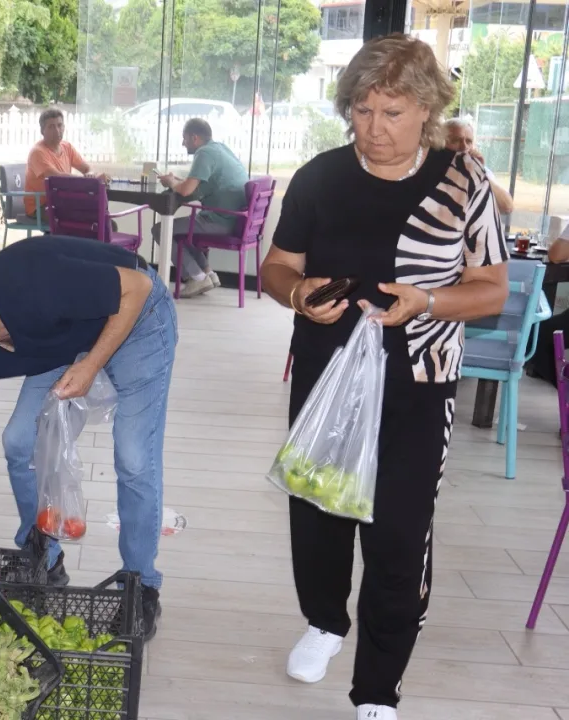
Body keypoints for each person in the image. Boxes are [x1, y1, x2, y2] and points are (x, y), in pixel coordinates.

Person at [259, 34, 509, 720]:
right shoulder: (321, 176)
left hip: (418, 383)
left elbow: (489, 289)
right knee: (317, 513)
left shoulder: (464, 183)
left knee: (399, 534)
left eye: (392, 113)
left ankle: (377, 687)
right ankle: (324, 622)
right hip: (325, 376)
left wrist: (427, 301)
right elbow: (275, 266)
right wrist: (297, 292)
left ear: (426, 111)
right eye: (363, 110)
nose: (375, 128)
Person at [0, 235, 175, 639]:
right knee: (19, 442)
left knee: (134, 457)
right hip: (66, 335)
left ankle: (141, 585)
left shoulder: (35, 285)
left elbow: (137, 288)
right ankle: (43, 553)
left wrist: (93, 364)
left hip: (137, 316)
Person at [155, 118, 248, 298]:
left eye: (185, 138)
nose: (183, 143)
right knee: (181, 231)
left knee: (160, 230)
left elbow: (187, 190)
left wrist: (171, 182)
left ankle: (195, 277)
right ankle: (208, 273)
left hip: (221, 220)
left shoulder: (204, 153)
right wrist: (177, 182)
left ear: (194, 137)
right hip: (235, 219)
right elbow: (198, 188)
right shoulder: (220, 149)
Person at [22, 108, 109, 223]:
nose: (57, 130)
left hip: (62, 200)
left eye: (59, 125)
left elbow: (86, 168)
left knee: (102, 220)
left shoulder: (67, 147)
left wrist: (92, 174)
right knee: (85, 221)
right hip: (41, 206)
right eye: (51, 127)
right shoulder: (37, 152)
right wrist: (89, 181)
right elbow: (57, 178)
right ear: (42, 131)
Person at [444, 118, 515, 215]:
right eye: (456, 140)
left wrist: (480, 172)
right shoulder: (433, 171)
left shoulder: (479, 169)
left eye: (468, 141)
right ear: (441, 143)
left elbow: (507, 207)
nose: (464, 147)